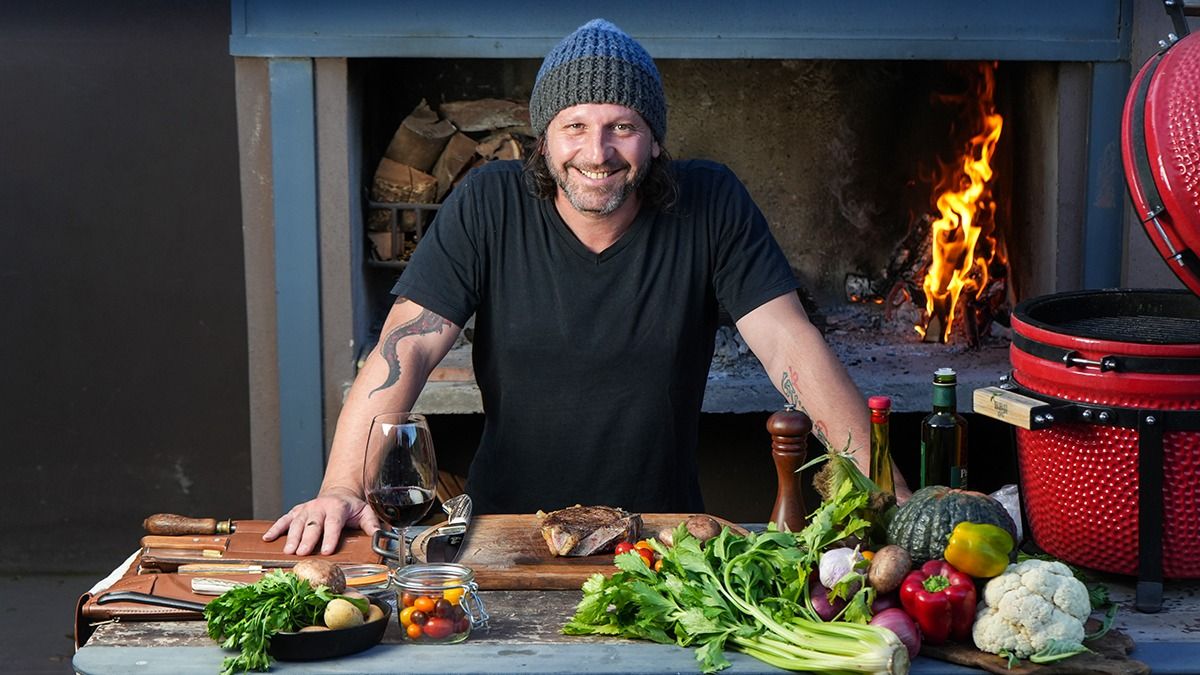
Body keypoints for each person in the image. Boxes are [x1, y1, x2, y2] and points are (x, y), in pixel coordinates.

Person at [265, 18, 910, 556]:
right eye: (574, 126)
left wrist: (888, 494)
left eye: (621, 126)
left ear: (653, 139)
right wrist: (344, 486)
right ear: (544, 138)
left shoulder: (709, 203)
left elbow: (789, 346)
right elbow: (401, 350)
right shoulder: (491, 202)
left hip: (662, 542)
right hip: (505, 536)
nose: (596, 151)